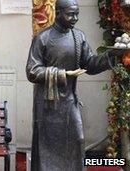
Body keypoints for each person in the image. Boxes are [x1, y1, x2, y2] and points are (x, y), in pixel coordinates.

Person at [26, 0, 126, 170]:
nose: (75, 18)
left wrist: (112, 55)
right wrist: (62, 74)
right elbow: (32, 71)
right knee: (47, 145)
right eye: (71, 14)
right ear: (57, 13)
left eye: (77, 13)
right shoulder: (43, 38)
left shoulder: (78, 36)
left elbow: (90, 64)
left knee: (77, 139)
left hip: (69, 101)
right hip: (47, 103)